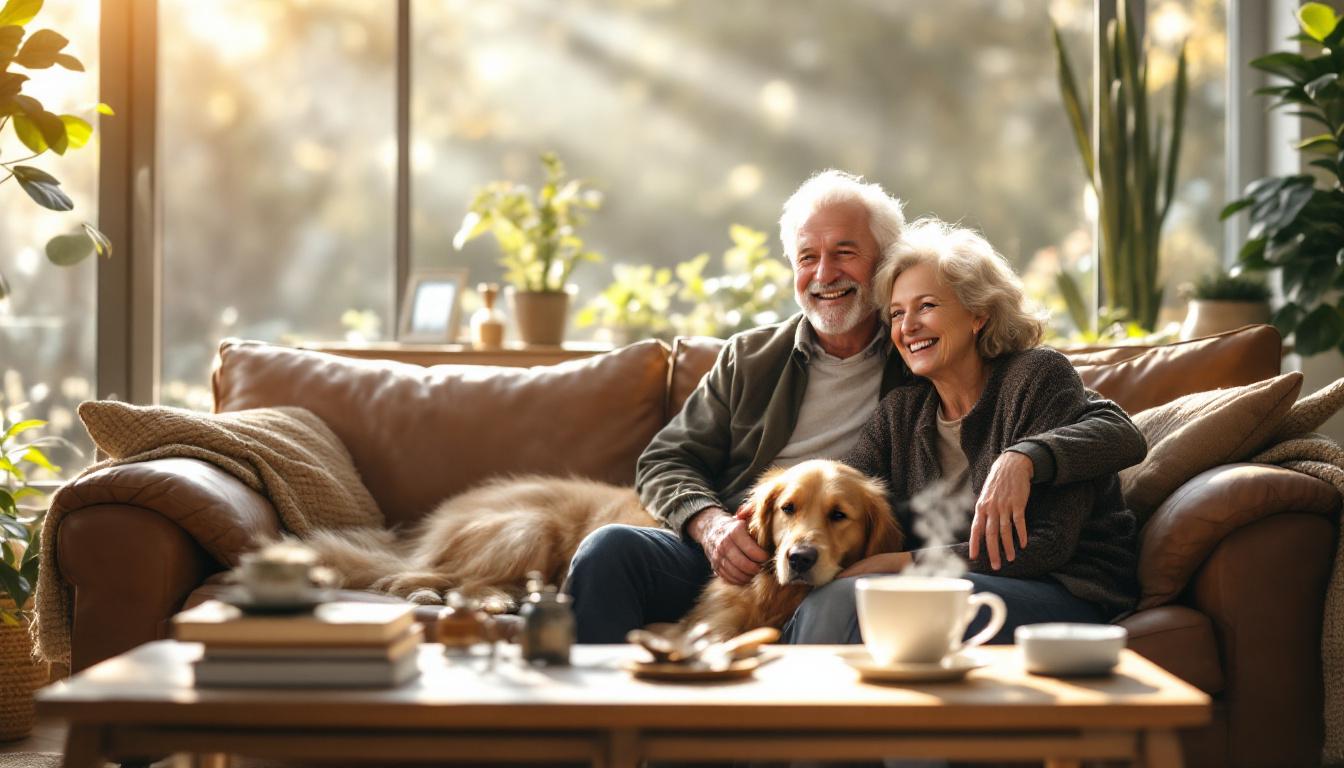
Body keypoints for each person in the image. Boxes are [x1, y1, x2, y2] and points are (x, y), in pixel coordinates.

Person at [565, 171, 1144, 643]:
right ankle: (596, 738)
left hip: (906, 564)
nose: (824, 274)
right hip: (751, 548)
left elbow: (1111, 428)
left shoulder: (953, 373)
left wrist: (1024, 458)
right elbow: (665, 461)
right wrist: (714, 525)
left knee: (849, 601)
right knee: (609, 550)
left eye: (845, 252)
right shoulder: (775, 367)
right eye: (807, 256)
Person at [781, 219, 1140, 645]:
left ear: (978, 314)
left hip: (1064, 591)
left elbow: (1044, 546)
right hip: (944, 585)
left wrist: (1021, 458)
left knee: (846, 602)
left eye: (926, 306)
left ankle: (798, 710)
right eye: (897, 313)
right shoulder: (902, 413)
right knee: (830, 597)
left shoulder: (1037, 377)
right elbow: (844, 493)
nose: (907, 326)